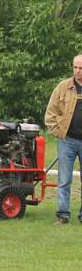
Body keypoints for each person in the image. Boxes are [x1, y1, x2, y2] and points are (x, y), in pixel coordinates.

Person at [44, 54, 82, 225]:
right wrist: (58, 132)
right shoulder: (63, 87)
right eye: (75, 67)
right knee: (64, 179)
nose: (77, 71)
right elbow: (50, 114)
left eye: (81, 68)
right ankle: (62, 216)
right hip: (67, 140)